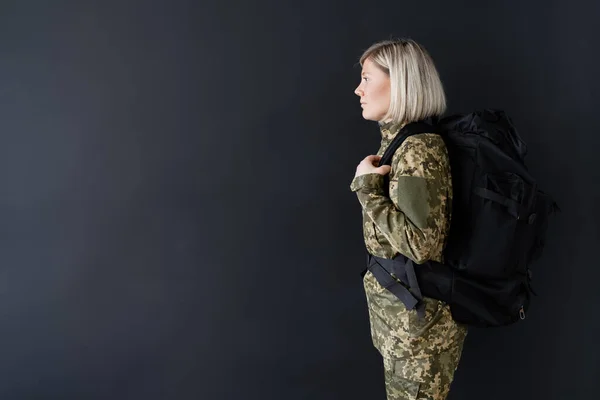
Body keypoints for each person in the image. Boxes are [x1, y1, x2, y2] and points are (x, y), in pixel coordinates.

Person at [350, 38, 468, 400]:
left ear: (398, 81)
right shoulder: (398, 143)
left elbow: (421, 244)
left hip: (419, 334)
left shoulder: (417, 149)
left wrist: (367, 188)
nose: (358, 89)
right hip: (402, 324)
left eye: (367, 78)